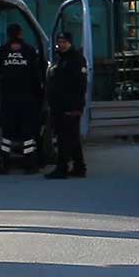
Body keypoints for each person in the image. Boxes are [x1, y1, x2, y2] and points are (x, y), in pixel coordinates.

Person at [0, 24, 43, 175]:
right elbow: (36, 74)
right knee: (27, 133)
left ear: (8, 34)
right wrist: (39, 94)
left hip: (8, 98)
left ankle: (4, 165)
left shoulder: (3, 50)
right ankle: (30, 165)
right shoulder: (29, 50)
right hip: (27, 98)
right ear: (20, 34)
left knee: (7, 133)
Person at [45, 31, 88, 180]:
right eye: (59, 42)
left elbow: (81, 85)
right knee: (72, 137)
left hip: (69, 106)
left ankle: (61, 168)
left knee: (64, 138)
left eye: (64, 42)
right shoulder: (59, 58)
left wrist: (77, 107)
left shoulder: (76, 59)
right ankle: (79, 167)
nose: (61, 44)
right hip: (58, 104)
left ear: (70, 43)